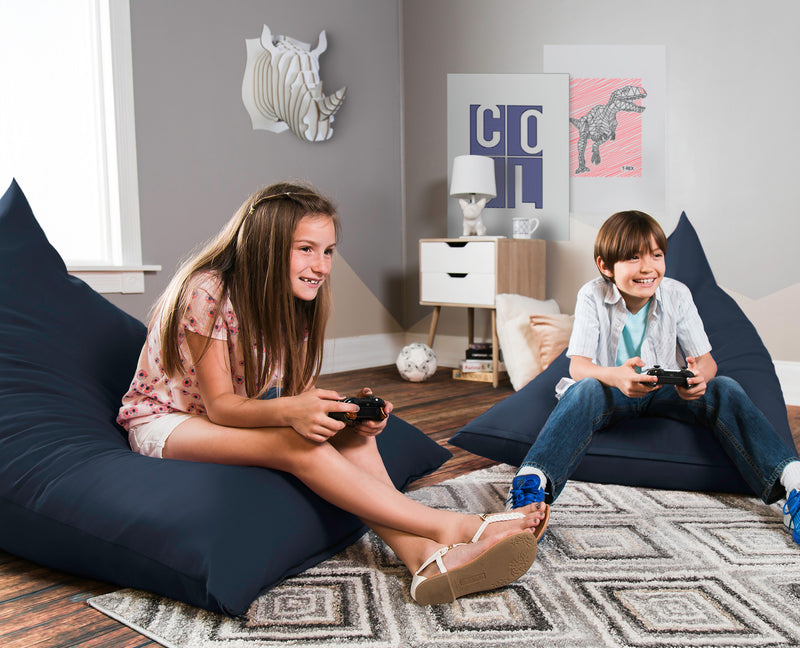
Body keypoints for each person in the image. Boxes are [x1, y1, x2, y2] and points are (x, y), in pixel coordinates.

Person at [118, 181, 548, 605]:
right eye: (306, 249)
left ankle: (423, 558)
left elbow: (297, 393)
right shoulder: (207, 292)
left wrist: (345, 414)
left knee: (347, 434)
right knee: (295, 443)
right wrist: (293, 414)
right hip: (168, 421)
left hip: (223, 418)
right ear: (266, 247)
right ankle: (455, 527)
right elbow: (222, 407)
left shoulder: (295, 303)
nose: (321, 266)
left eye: (327, 251)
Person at [505, 210, 800, 545]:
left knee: (725, 387)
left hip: (665, 390)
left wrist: (697, 379)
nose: (648, 268)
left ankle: (794, 485)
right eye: (634, 258)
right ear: (605, 266)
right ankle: (531, 486)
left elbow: (707, 362)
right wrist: (616, 376)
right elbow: (579, 367)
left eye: (656, 256)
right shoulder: (591, 295)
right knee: (583, 389)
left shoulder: (677, 294)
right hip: (612, 390)